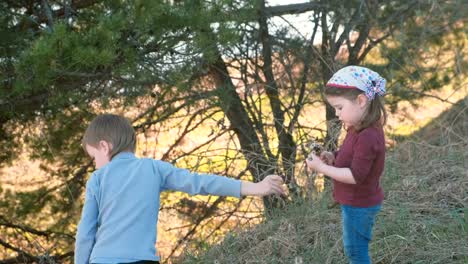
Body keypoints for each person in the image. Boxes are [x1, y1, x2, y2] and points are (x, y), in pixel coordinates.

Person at [75, 114, 285, 264]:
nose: (95, 164)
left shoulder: (97, 178)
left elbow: (85, 232)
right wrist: (256, 187)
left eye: (94, 158)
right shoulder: (154, 169)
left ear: (104, 146)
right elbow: (202, 182)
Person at [305, 66, 387, 264]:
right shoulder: (356, 129)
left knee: (356, 252)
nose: (336, 113)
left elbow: (355, 175)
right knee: (354, 248)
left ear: (361, 101)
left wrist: (323, 169)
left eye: (339, 107)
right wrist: (332, 157)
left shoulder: (368, 136)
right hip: (355, 202)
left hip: (360, 204)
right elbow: (350, 157)